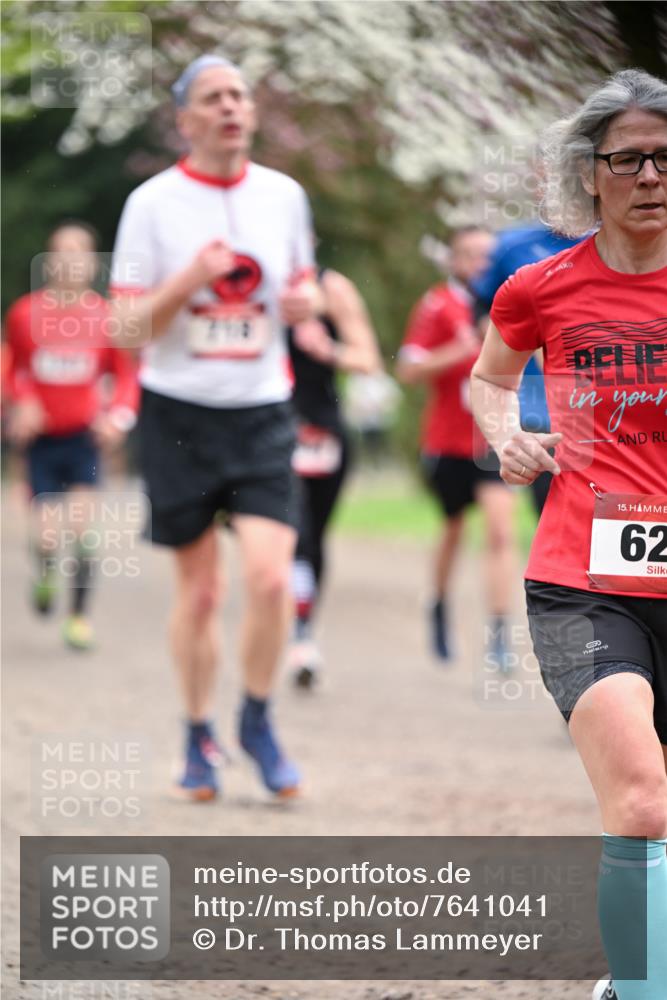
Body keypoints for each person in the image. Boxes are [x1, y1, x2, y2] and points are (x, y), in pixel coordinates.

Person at [470, 69, 667, 1000]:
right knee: (638, 800)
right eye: (627, 159)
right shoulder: (540, 286)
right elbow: (491, 376)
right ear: (589, 174)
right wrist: (505, 436)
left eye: (665, 159)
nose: (649, 176)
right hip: (583, 582)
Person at [110, 54, 324, 802]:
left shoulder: (285, 196)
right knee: (200, 593)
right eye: (213, 97)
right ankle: (196, 731)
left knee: (269, 577)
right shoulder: (152, 203)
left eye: (239, 94)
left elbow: (300, 286)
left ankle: (256, 721)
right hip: (178, 414)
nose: (231, 106)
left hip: (262, 409)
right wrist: (187, 281)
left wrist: (305, 305)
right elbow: (127, 325)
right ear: (186, 119)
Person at [4, 221, 138, 650]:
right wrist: (21, 401)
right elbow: (14, 369)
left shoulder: (105, 317)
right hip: (42, 442)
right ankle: (45, 570)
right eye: (61, 252)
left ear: (91, 263)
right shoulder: (26, 313)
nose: (69, 261)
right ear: (49, 262)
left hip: (85, 440)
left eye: (79, 252)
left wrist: (117, 418)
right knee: (46, 535)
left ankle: (79, 618)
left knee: (81, 529)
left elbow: (126, 379)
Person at [396, 226, 517, 666]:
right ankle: (439, 604)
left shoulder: (511, 304)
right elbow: (408, 370)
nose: (479, 265)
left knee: (500, 532)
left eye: (487, 256)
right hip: (447, 442)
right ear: (453, 261)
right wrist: (458, 349)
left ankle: (500, 632)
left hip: (491, 441)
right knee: (453, 530)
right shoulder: (437, 305)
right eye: (469, 255)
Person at [287, 269, 381, 688]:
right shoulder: (247, 281)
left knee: (311, 535)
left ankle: (302, 630)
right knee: (291, 534)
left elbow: (368, 360)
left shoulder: (332, 288)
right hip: (265, 429)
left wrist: (327, 350)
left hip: (321, 430)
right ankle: (298, 632)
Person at [471, 221, 580, 515]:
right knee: (558, 513)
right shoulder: (514, 249)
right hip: (541, 410)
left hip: (637, 422)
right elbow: (481, 308)